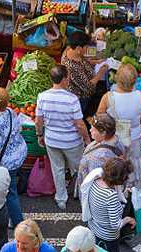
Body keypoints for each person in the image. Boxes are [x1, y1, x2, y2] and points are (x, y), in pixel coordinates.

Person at [35, 65, 90, 210]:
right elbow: (80, 124)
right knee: (79, 169)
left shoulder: (42, 96)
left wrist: (40, 135)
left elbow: (38, 121)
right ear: (65, 79)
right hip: (72, 142)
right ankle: (82, 195)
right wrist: (87, 139)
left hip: (52, 141)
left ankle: (61, 199)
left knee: (57, 169)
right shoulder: (72, 99)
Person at [97, 64, 141, 188]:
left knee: (116, 164)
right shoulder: (139, 95)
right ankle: (134, 191)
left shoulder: (108, 97)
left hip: (115, 138)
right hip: (134, 137)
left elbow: (99, 116)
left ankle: (117, 190)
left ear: (117, 79)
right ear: (134, 81)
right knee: (134, 162)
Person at [0, 88, 27, 228]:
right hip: (19, 152)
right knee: (12, 184)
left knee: (10, 193)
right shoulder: (10, 111)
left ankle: (18, 222)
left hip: (8, 162)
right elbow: (18, 129)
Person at [80, 157, 136, 252]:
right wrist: (128, 219)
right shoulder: (110, 196)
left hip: (95, 228)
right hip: (108, 236)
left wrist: (123, 194)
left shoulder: (94, 181)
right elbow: (116, 225)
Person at [61, 31, 108, 115]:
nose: (87, 49)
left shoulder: (69, 49)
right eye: (86, 47)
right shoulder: (72, 67)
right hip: (81, 97)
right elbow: (88, 86)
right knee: (83, 112)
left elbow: (82, 59)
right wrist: (100, 73)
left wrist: (95, 61)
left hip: (88, 81)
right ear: (79, 48)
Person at [77, 113, 125, 189]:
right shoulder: (117, 140)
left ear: (103, 133)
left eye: (93, 129)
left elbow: (96, 183)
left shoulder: (99, 157)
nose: (90, 130)